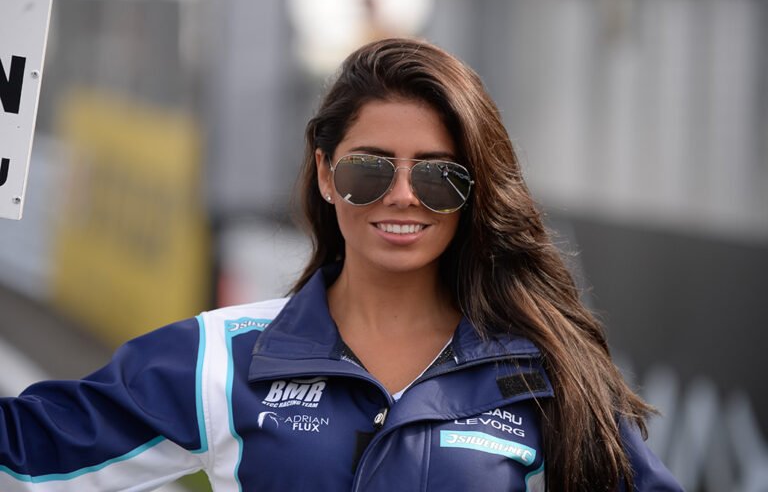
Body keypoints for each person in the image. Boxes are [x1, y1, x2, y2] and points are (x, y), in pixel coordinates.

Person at [0, 38, 682, 491]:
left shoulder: (541, 375)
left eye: (441, 176)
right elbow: (25, 452)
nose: (403, 195)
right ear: (326, 174)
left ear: (475, 194)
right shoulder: (225, 357)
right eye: (369, 169)